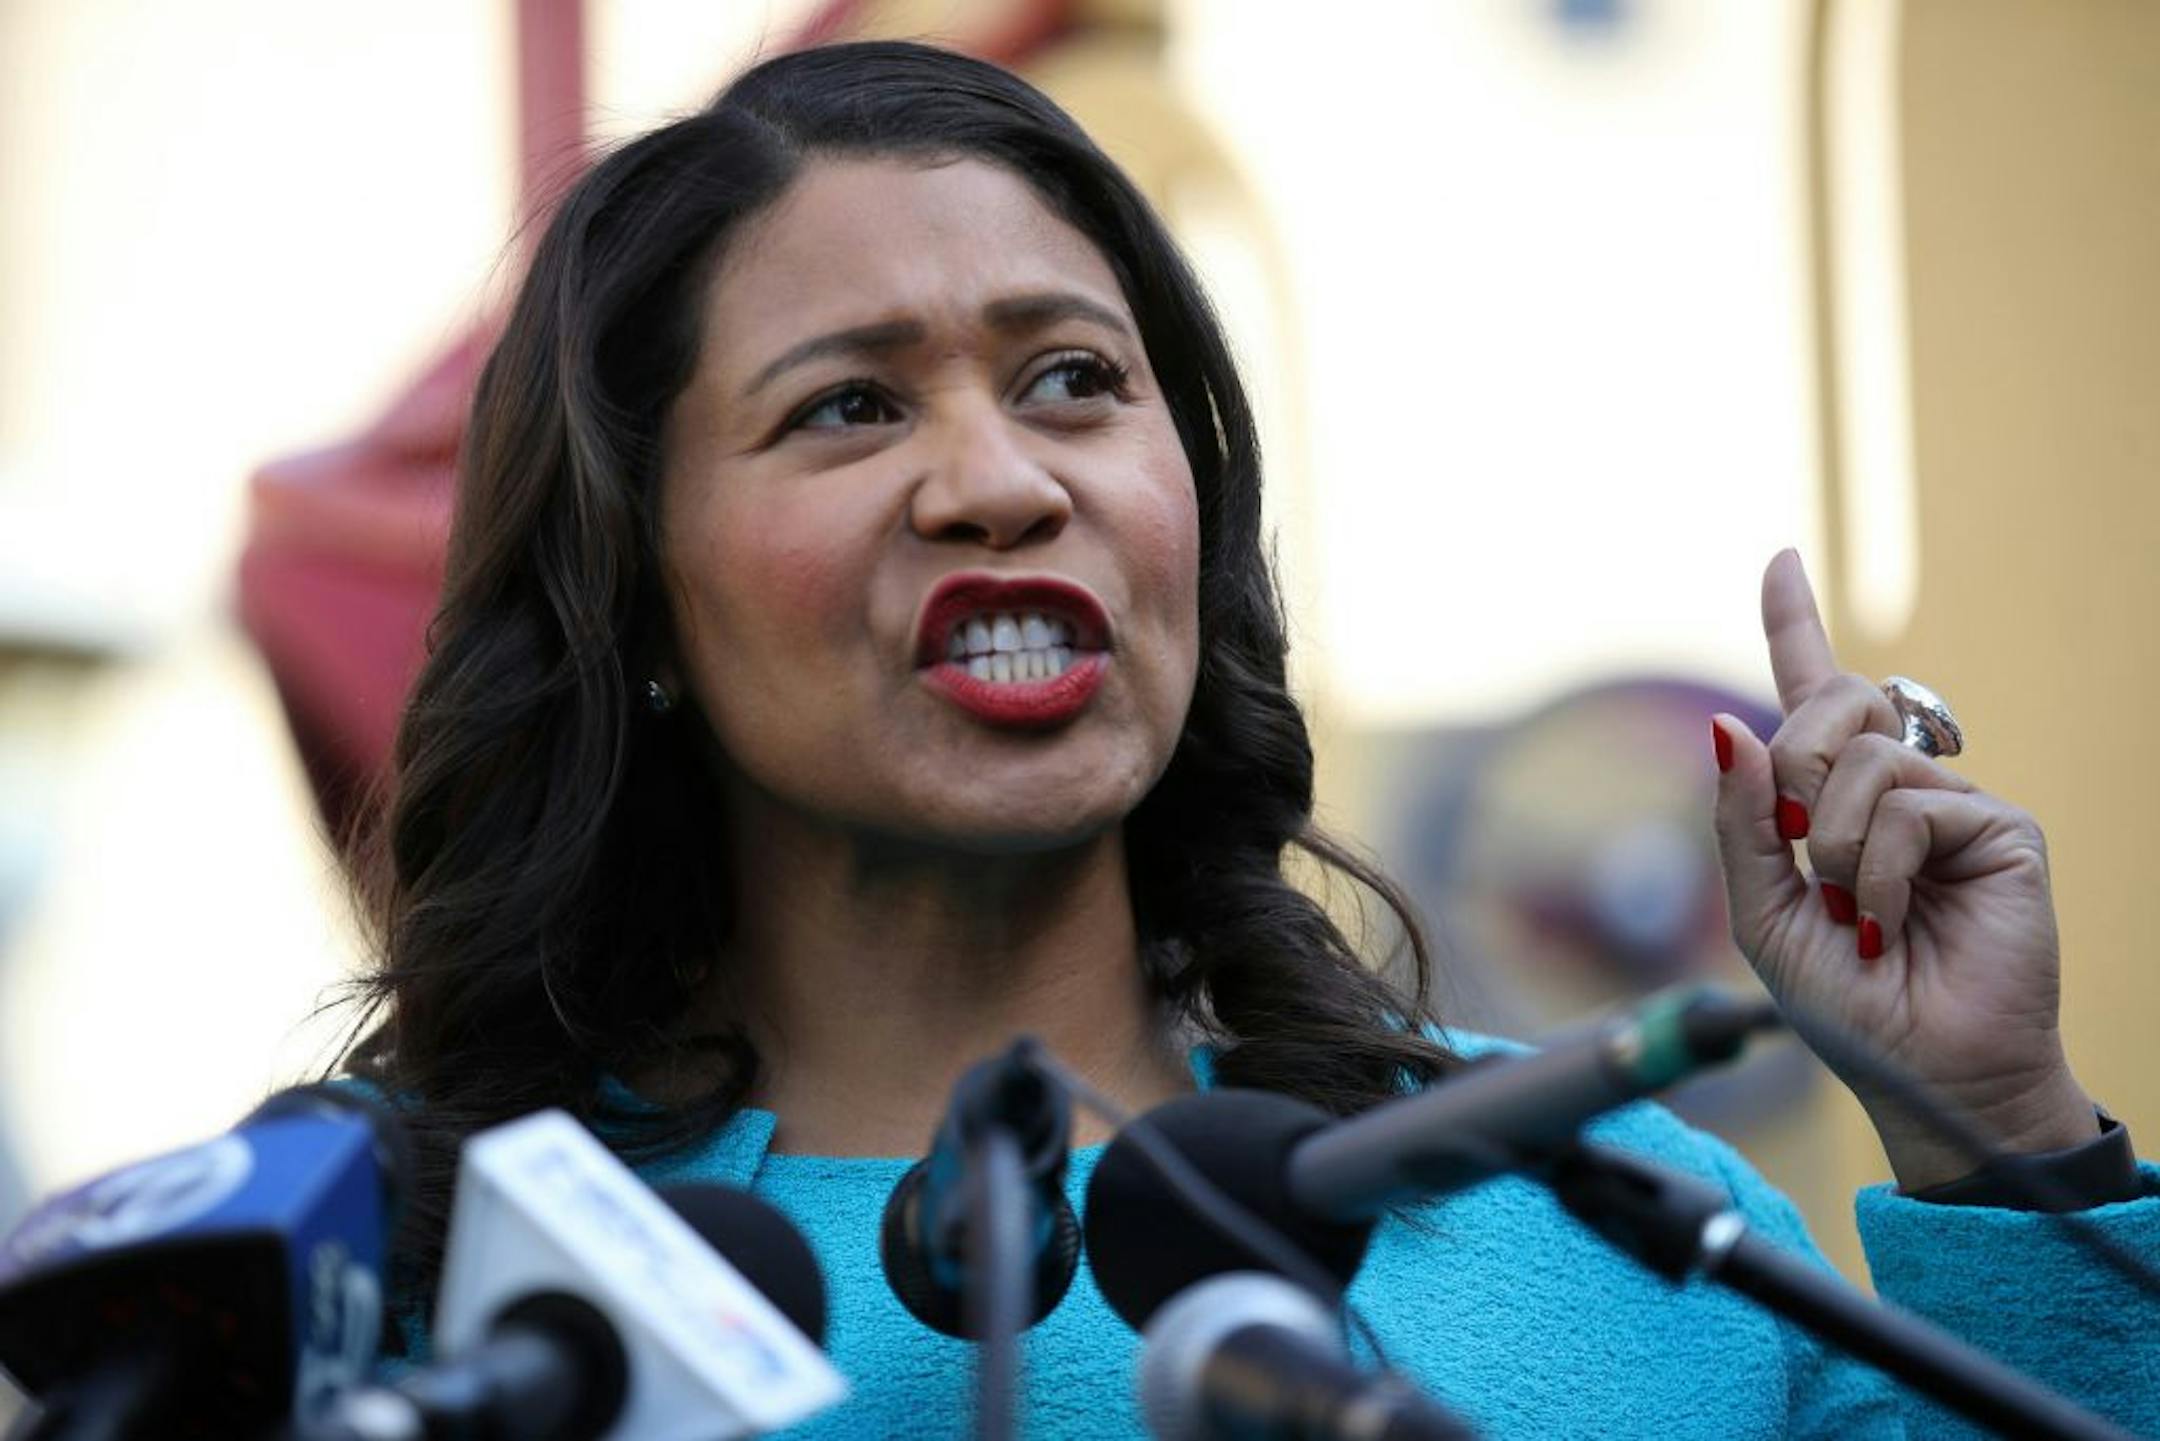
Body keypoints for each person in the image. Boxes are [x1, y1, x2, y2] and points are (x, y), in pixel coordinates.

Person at [336, 39, 2158, 1438]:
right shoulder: (417, 1292)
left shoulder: (1623, 1208)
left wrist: (2000, 1131)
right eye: (849, 405)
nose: (999, 478)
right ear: (633, 597)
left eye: (1073, 380)